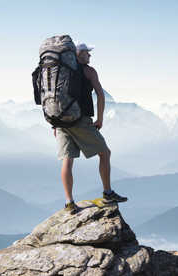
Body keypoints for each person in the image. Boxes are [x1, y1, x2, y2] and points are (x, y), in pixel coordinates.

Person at [53, 42, 127, 214]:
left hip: (61, 121)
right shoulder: (88, 71)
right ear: (79, 54)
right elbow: (100, 95)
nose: (90, 56)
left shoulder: (60, 71)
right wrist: (100, 118)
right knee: (105, 153)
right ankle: (108, 193)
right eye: (87, 53)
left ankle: (69, 202)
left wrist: (54, 122)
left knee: (67, 160)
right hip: (80, 120)